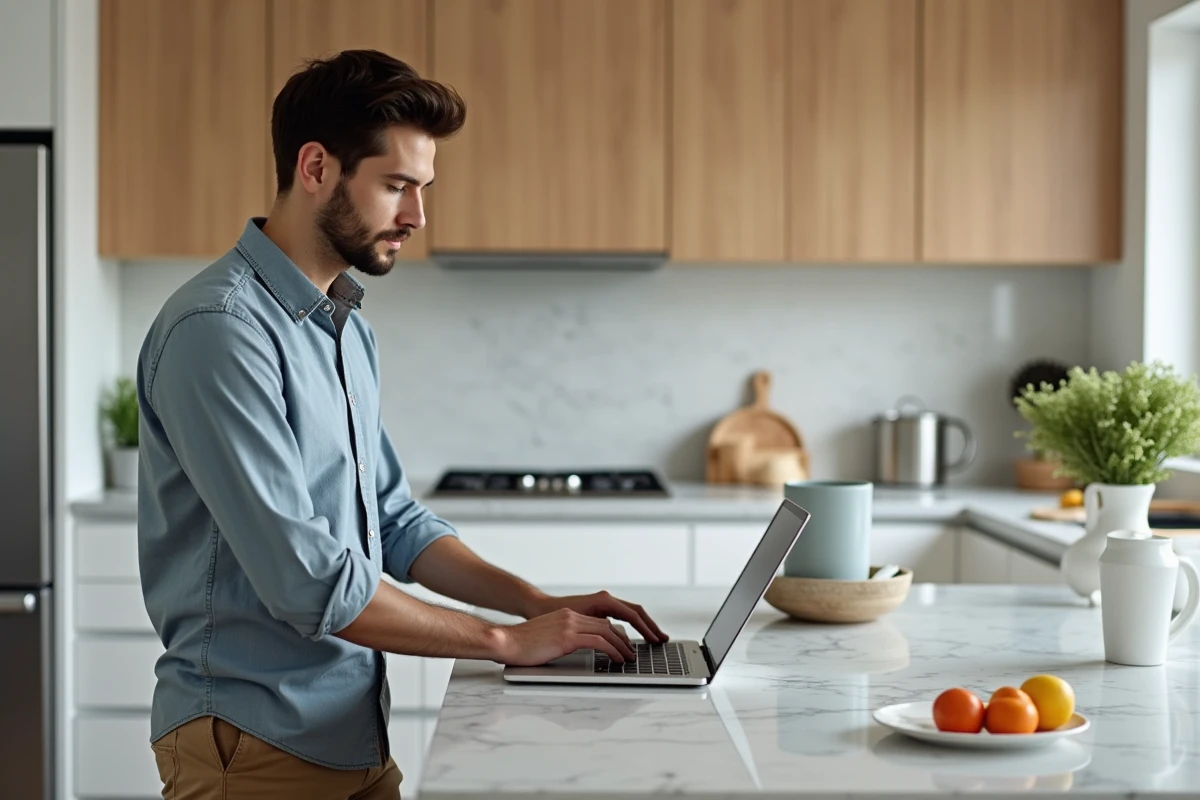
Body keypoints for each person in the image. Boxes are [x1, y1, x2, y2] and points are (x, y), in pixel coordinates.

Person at [136, 49, 667, 800]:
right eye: (396, 186)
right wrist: (503, 641)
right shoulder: (219, 331)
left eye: (422, 189)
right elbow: (306, 579)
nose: (417, 216)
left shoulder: (345, 328)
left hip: (348, 733)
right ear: (315, 167)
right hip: (253, 744)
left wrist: (536, 602)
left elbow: (395, 521)